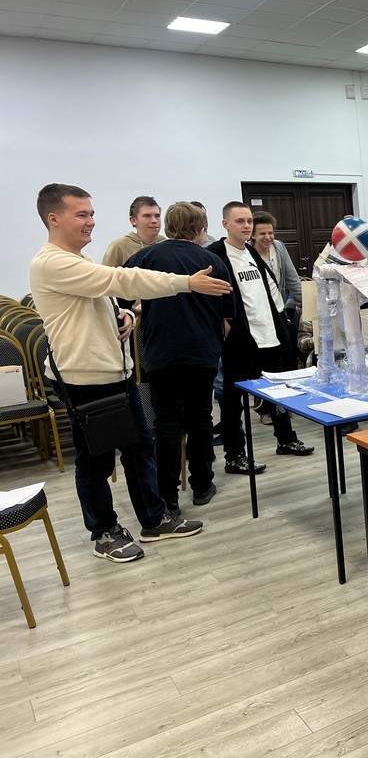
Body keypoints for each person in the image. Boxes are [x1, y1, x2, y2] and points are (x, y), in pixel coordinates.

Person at [29, 183, 231, 562]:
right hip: (84, 378)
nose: (91, 221)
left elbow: (103, 299)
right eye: (82, 214)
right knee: (96, 461)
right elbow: (121, 280)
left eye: (91, 213)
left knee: (140, 450)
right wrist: (186, 282)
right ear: (53, 219)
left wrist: (123, 315)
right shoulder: (52, 262)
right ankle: (104, 532)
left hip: (114, 373)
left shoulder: (79, 259)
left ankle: (154, 519)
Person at [124, 202, 230, 510]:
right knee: (200, 417)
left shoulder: (146, 256)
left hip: (161, 353)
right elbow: (228, 315)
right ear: (199, 228)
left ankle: (167, 495)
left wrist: (138, 309)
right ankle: (202, 485)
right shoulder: (212, 260)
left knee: (167, 423)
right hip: (201, 352)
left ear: (168, 226)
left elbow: (119, 293)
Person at [209, 201, 314, 475]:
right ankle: (235, 456)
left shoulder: (252, 253)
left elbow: (268, 293)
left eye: (248, 221)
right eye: (240, 221)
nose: (246, 226)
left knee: (279, 393)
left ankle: (286, 439)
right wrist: (223, 322)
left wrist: (281, 326)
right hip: (241, 340)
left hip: (270, 334)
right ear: (226, 224)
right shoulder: (217, 254)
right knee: (233, 400)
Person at [251, 211, 303, 369]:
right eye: (262, 234)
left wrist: (304, 303)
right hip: (260, 314)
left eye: (270, 233)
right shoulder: (248, 253)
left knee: (288, 352)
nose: (268, 237)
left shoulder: (278, 247)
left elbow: (292, 277)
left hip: (279, 310)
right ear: (253, 235)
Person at [102, 195, 165, 268]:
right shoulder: (119, 247)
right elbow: (105, 274)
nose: (154, 221)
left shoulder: (167, 246)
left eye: (157, 216)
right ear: (133, 220)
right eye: (147, 216)